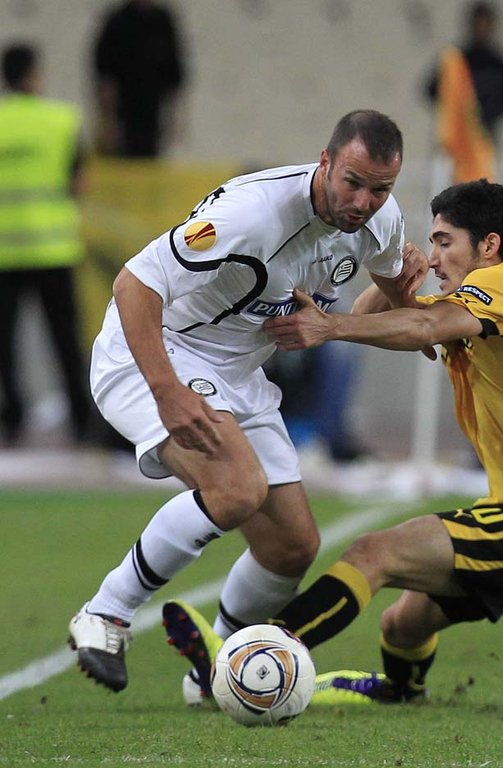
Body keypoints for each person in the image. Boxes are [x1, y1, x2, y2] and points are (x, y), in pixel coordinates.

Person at [163, 180, 503, 704]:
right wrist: (391, 272)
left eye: (444, 242)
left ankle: (251, 658)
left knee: (373, 553)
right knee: (403, 625)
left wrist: (331, 326)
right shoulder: (480, 309)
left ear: (489, 246)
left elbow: (418, 325)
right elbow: (384, 316)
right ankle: (403, 691)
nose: (434, 257)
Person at [67, 110, 428, 697]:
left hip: (237, 372)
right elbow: (134, 284)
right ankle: (105, 613)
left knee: (292, 547)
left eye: (380, 189)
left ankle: (214, 673)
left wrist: (413, 286)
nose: (363, 202)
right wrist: (167, 391)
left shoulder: (380, 223)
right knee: (237, 488)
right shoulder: (250, 215)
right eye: (353, 182)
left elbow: (388, 310)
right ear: (326, 161)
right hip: (157, 353)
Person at [0, 43, 91, 444]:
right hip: (54, 249)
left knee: (6, 344)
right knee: (65, 341)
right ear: (33, 75)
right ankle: (81, 420)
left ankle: (12, 420)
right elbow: (80, 184)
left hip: (4, 252)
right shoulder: (62, 120)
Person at [424, 1, 503, 183]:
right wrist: (457, 112)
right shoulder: (456, 61)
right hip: (456, 144)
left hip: (485, 140)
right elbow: (432, 90)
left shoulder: (498, 63)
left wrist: (490, 114)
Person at [92, 0, 186, 157]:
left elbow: (174, 76)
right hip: (123, 113)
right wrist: (107, 121)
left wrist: (174, 118)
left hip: (152, 113)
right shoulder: (118, 22)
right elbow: (106, 80)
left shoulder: (162, 22)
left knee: (148, 155)